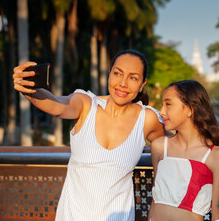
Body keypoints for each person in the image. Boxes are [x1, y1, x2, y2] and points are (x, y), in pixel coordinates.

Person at [12, 49, 164, 221]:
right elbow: (58, 105)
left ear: (142, 84)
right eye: (117, 73)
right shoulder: (86, 104)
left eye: (133, 78)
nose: (123, 83)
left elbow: (173, 147)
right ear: (109, 74)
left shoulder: (148, 119)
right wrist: (29, 90)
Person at [148, 80, 219, 221]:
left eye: (168, 104)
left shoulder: (216, 154)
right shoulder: (159, 146)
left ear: (190, 109)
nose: (161, 111)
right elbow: (155, 200)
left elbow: (217, 216)